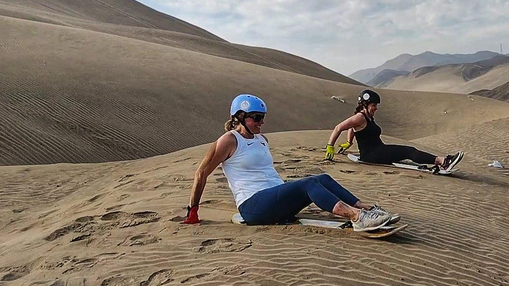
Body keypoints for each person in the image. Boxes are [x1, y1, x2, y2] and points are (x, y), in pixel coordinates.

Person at [184, 94, 397, 231]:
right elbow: (201, 173)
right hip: (253, 206)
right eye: (256, 117)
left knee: (322, 178)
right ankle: (357, 217)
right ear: (240, 117)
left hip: (274, 199)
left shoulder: (261, 140)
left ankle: (365, 208)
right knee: (309, 184)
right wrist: (193, 210)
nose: (261, 122)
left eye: (263, 117)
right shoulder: (229, 140)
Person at [325, 89, 464, 172]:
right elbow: (339, 127)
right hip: (373, 155)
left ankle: (441, 161)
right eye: (373, 105)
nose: (376, 108)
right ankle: (442, 161)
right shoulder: (360, 117)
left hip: (378, 151)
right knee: (409, 151)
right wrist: (330, 146)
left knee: (408, 151)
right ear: (365, 104)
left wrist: (348, 142)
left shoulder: (367, 117)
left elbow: (352, 129)